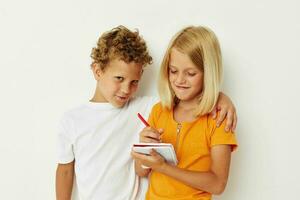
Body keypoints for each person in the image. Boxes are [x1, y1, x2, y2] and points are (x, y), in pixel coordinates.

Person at [55, 25, 237, 200]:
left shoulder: (146, 107)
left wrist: (220, 97)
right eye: (119, 78)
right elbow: (64, 170)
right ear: (97, 70)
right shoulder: (72, 120)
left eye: (134, 82)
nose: (126, 89)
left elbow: (190, 100)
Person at [132, 26, 238, 200]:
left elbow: (218, 184)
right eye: (173, 71)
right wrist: (144, 148)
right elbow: (140, 171)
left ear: (208, 74)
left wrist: (164, 167)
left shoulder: (219, 119)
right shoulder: (159, 111)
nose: (179, 80)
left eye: (190, 73)